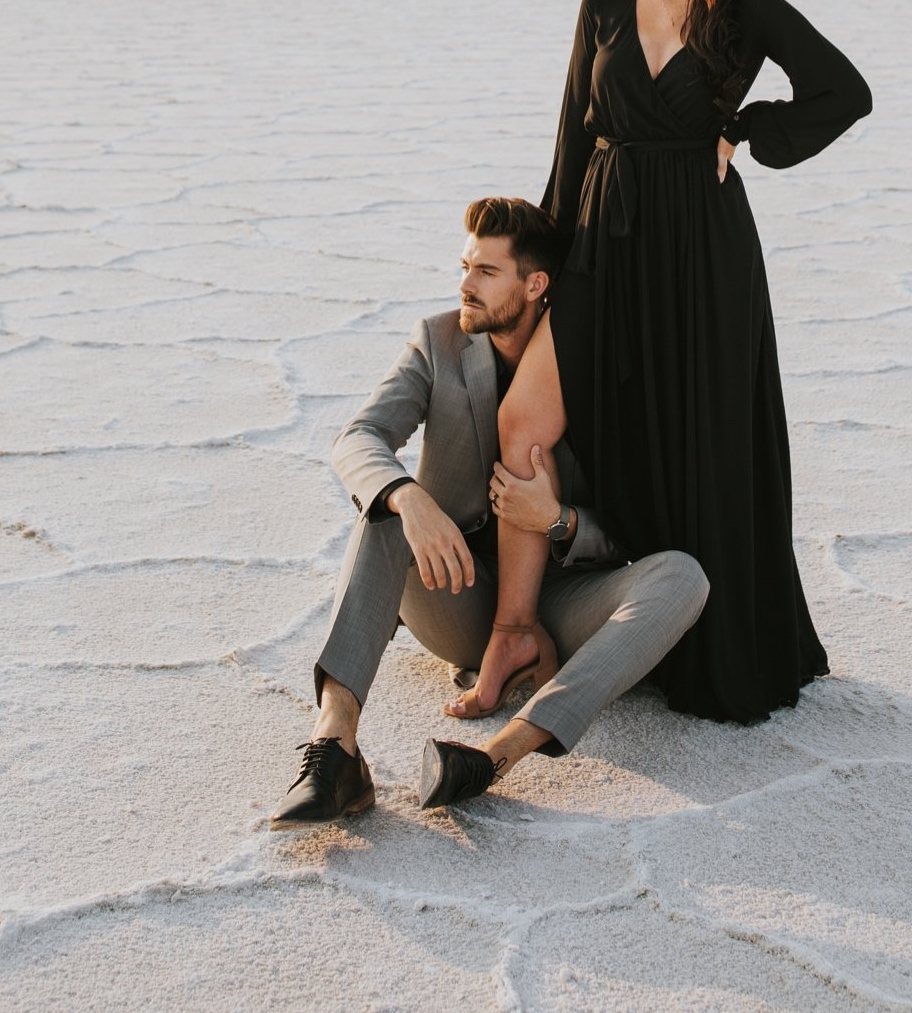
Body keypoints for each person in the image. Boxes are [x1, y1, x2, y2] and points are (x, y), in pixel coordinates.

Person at [449, 0, 872, 728]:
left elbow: (845, 91)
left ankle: (696, 642)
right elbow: (571, 147)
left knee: (703, 439)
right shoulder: (602, 7)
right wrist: (540, 287)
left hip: (703, 257)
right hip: (603, 244)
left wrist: (749, 128)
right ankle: (514, 630)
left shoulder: (745, 7)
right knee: (525, 420)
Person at [271, 196, 708, 822]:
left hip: (567, 597)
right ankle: (334, 749)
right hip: (458, 585)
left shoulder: (596, 372)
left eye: (486, 272)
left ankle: (494, 757)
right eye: (464, 266)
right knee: (383, 509)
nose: (465, 286)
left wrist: (557, 519)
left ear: (535, 285)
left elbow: (639, 527)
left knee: (683, 576)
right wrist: (410, 497)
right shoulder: (438, 341)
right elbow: (358, 438)